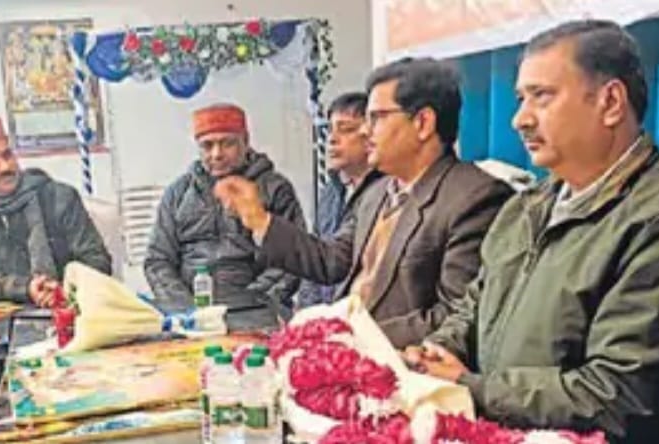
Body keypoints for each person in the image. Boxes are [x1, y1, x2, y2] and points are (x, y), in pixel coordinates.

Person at [404, 21, 659, 443]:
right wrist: (439, 351)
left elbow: (621, 396)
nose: (520, 119)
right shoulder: (526, 207)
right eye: (521, 99)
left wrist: (470, 389)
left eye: (542, 96)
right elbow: (475, 305)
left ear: (611, 102)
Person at [216, 59, 512, 347]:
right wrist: (259, 220)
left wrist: (349, 335)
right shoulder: (377, 192)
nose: (365, 131)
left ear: (423, 123)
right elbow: (331, 261)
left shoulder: (474, 198)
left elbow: (454, 318)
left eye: (377, 118)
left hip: (397, 363)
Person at [145, 104, 305, 329]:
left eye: (227, 143)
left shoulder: (275, 189)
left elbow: (292, 260)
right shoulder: (178, 193)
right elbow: (158, 260)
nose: (217, 154)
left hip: (257, 310)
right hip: (190, 312)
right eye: (207, 145)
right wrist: (186, 309)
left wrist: (249, 302)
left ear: (245, 141)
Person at [0, 116, 111, 307]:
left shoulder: (58, 196)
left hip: (68, 308)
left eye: (7, 155)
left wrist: (64, 291)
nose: (5, 167)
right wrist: (24, 288)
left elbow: (97, 261)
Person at [295, 92, 384, 309]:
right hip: (324, 313)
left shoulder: (386, 191)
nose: (332, 139)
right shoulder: (331, 191)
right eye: (330, 130)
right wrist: (306, 314)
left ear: (371, 136)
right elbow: (314, 259)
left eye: (346, 129)